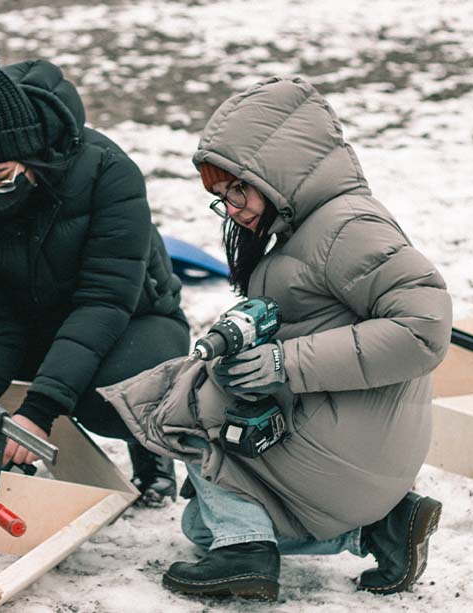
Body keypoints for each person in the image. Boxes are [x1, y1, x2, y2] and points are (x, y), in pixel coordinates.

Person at [99, 76, 452, 600]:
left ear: (276, 169)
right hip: (351, 433)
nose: (233, 206)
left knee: (186, 397)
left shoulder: (348, 226)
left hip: (358, 437)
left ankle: (248, 552)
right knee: (201, 528)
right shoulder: (301, 227)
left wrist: (287, 362)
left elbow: (425, 329)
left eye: (237, 187)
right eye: (221, 197)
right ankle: (377, 528)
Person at [0, 36, 189, 505]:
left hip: (129, 321)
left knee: (109, 398)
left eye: (3, 178)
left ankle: (146, 448)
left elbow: (103, 303)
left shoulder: (108, 172)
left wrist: (40, 412)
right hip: (33, 324)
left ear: (32, 154)